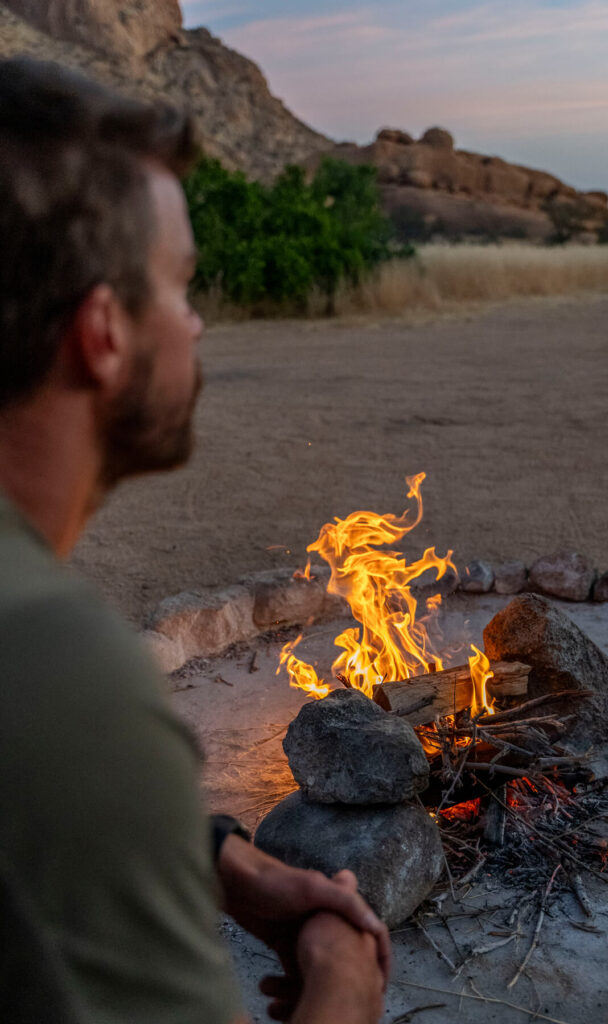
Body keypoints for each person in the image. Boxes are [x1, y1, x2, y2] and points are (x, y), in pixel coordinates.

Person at [0, 57, 389, 1023]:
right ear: (103, 331)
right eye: (178, 287)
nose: (199, 323)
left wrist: (222, 859)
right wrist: (345, 980)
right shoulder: (50, 662)